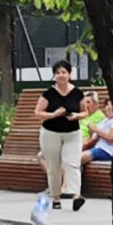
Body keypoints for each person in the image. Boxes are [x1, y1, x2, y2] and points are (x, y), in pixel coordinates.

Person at [37, 63, 86, 212]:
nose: (61, 75)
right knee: (54, 166)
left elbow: (85, 112)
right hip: (51, 132)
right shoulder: (49, 94)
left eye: (64, 72)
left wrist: (77, 116)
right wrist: (53, 114)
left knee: (72, 162)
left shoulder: (77, 93)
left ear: (69, 74)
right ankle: (56, 197)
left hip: (72, 133)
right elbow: (38, 112)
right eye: (57, 73)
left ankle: (76, 195)